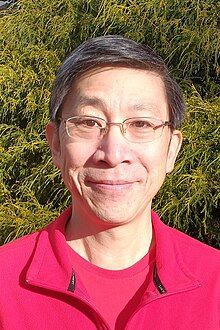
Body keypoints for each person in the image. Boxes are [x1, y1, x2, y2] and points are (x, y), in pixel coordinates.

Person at [0, 35, 219, 330]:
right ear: (55, 145)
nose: (113, 154)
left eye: (141, 123)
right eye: (89, 122)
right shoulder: (5, 283)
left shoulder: (214, 283)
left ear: (171, 150)